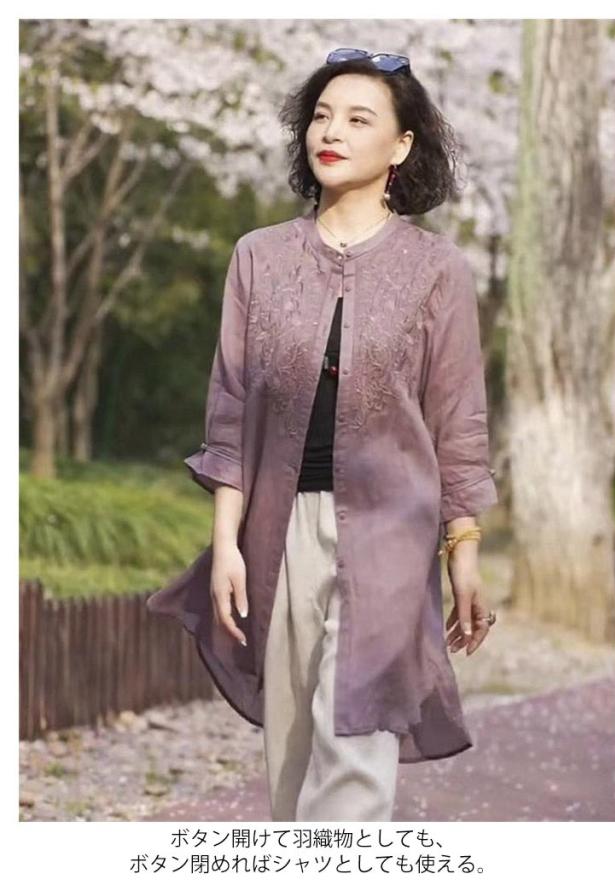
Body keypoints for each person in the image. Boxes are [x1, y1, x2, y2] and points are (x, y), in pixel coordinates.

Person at [146, 47, 499, 822]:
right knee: (293, 765)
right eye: (321, 116)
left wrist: (463, 550)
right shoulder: (258, 258)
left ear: (401, 145)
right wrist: (227, 543)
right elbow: (231, 412)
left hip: (392, 532)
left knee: (354, 757)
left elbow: (459, 420)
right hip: (278, 532)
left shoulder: (437, 270)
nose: (330, 132)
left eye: (358, 119)